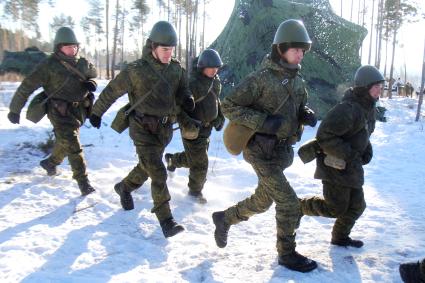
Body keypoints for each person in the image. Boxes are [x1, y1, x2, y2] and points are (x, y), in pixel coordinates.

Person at [212, 19, 318, 273]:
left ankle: (224, 218)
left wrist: (305, 114)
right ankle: (287, 254)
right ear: (280, 48)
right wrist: (261, 121)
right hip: (259, 150)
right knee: (289, 202)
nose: (300, 53)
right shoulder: (259, 78)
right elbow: (228, 105)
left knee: (263, 200)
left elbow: (297, 107)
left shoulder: (298, 81)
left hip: (282, 152)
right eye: (295, 48)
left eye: (303, 49)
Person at [89, 21, 194, 238]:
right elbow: (111, 91)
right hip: (142, 128)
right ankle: (166, 220)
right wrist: (96, 112)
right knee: (157, 171)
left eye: (171, 50)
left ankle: (125, 187)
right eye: (165, 49)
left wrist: (188, 98)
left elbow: (183, 90)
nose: (168, 54)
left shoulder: (176, 70)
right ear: (153, 47)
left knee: (147, 165)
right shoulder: (136, 71)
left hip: (164, 129)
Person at [300, 65, 384, 248]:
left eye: (381, 86)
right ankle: (299, 206)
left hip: (351, 166)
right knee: (335, 208)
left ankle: (339, 237)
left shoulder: (368, 108)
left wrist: (366, 149)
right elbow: (325, 136)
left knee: (356, 206)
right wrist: (350, 153)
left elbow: (361, 133)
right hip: (334, 166)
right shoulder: (348, 109)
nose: (380, 90)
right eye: (376, 86)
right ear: (364, 87)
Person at [7, 27, 97, 196]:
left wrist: (92, 82)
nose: (73, 50)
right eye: (68, 46)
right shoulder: (48, 66)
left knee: (65, 142)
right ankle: (83, 182)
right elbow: (27, 86)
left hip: (79, 110)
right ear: (59, 47)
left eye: (75, 46)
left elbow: (93, 73)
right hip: (58, 111)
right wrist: (14, 109)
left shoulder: (83, 63)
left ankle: (50, 163)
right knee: (73, 144)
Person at [164, 49, 224, 204]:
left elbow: (216, 101)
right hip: (192, 130)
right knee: (200, 163)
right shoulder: (192, 83)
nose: (214, 70)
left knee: (193, 159)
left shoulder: (215, 81)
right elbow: (177, 107)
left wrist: (220, 117)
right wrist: (187, 123)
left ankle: (172, 160)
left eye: (216, 67)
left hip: (206, 129)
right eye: (211, 67)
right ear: (202, 66)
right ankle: (194, 192)